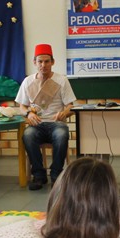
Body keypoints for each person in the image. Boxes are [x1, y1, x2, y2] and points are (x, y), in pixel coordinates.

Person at [15, 43, 76, 190]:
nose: (43, 65)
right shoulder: (27, 81)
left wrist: (64, 113)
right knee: (28, 135)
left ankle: (56, 175)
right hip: (37, 124)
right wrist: (28, 113)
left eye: (47, 61)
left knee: (62, 134)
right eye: (40, 61)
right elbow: (21, 106)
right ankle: (39, 175)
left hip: (56, 123)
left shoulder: (61, 80)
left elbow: (71, 106)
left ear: (52, 62)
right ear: (34, 62)